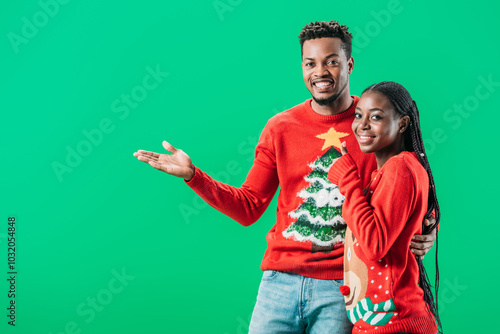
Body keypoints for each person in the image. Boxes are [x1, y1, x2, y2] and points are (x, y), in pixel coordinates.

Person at [133, 21, 436, 333]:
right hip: (278, 284)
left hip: (343, 286)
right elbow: (249, 206)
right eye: (310, 63)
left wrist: (428, 225)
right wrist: (194, 176)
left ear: (349, 64)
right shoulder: (281, 127)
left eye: (332, 61)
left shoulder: (374, 122)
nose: (320, 72)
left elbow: (409, 183)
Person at [328, 81, 441, 333]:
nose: (362, 125)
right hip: (378, 322)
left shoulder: (400, 167)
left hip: (395, 323)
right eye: (359, 115)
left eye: (376, 117)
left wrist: (347, 181)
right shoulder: (384, 173)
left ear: (402, 124)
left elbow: (375, 245)